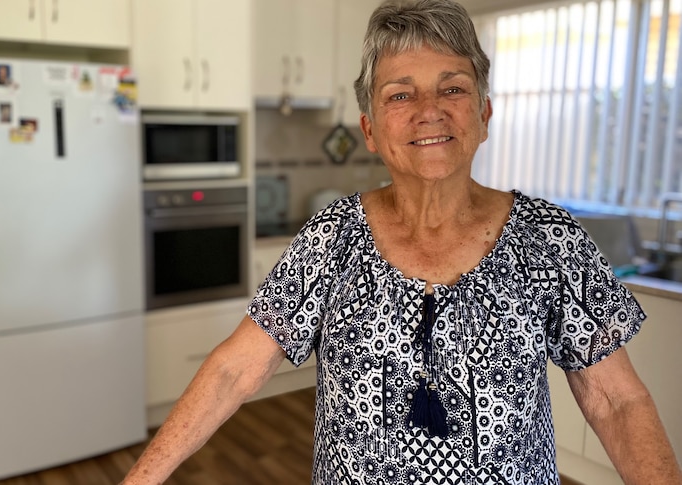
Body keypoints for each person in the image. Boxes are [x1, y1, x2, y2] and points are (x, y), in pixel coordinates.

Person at [122, 1, 682, 483]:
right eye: (399, 95)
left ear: (483, 115)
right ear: (369, 130)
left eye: (453, 88)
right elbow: (232, 371)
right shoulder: (331, 238)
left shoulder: (551, 239)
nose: (429, 110)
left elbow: (617, 399)